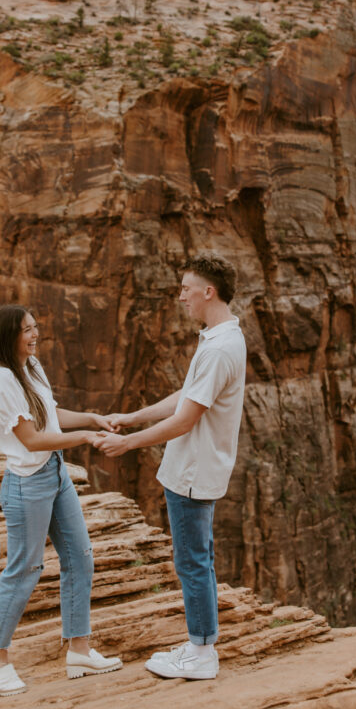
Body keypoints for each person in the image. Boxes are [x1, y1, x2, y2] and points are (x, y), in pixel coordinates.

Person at [95, 253, 246, 680]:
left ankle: (201, 653)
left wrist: (127, 442)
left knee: (192, 562)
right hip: (193, 468)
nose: (181, 297)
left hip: (193, 472)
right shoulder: (220, 338)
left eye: (186, 289)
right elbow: (187, 395)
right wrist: (133, 416)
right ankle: (201, 642)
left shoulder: (219, 349)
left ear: (208, 292)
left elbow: (185, 419)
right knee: (197, 559)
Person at [0, 304, 122, 696]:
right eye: (27, 330)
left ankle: (80, 650)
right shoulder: (2, 380)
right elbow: (33, 439)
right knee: (25, 569)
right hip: (26, 485)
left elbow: (49, 415)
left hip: (54, 474)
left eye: (36, 327)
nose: (35, 335)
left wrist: (91, 418)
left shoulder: (31, 366)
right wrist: (86, 439)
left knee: (80, 557)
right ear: (9, 336)